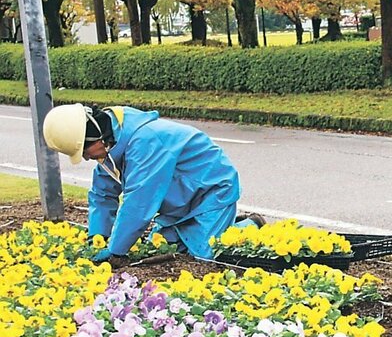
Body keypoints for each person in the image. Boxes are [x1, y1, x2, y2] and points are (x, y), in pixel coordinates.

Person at [42, 103, 260, 265]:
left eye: (84, 151)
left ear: (96, 136)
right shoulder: (112, 142)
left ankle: (251, 225)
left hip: (209, 192)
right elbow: (103, 194)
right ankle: (219, 226)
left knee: (206, 254)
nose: (87, 158)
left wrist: (116, 251)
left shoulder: (145, 141)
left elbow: (139, 202)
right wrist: (98, 236)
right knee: (161, 246)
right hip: (178, 201)